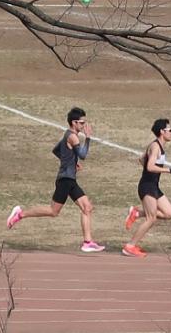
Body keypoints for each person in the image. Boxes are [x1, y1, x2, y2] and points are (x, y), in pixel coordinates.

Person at [6, 107, 105, 252]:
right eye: (82, 123)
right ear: (74, 123)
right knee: (53, 211)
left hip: (70, 179)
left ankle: (87, 242)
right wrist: (88, 138)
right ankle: (20, 214)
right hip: (65, 180)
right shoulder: (72, 136)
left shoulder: (67, 134)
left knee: (87, 207)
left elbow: (56, 150)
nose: (84, 126)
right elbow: (83, 154)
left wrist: (70, 161)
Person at [122, 118, 171, 258]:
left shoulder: (157, 146)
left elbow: (142, 159)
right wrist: (169, 170)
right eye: (169, 130)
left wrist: (151, 169)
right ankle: (130, 246)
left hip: (154, 186)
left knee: (169, 213)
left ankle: (137, 213)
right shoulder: (155, 147)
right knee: (151, 218)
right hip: (147, 186)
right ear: (162, 132)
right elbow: (148, 166)